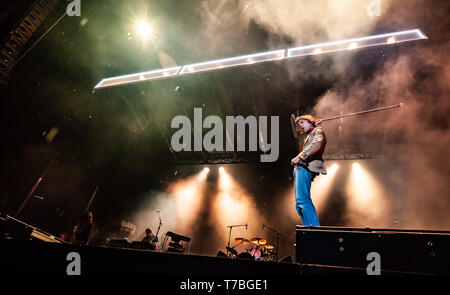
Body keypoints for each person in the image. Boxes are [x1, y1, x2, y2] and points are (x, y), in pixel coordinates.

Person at [290, 115, 327, 226]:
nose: (300, 125)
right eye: (299, 124)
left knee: (303, 200)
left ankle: (314, 230)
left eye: (302, 122)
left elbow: (317, 144)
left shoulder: (318, 130)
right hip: (301, 168)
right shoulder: (312, 132)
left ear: (310, 122)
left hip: (305, 167)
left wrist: (300, 157)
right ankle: (309, 228)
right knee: (299, 204)